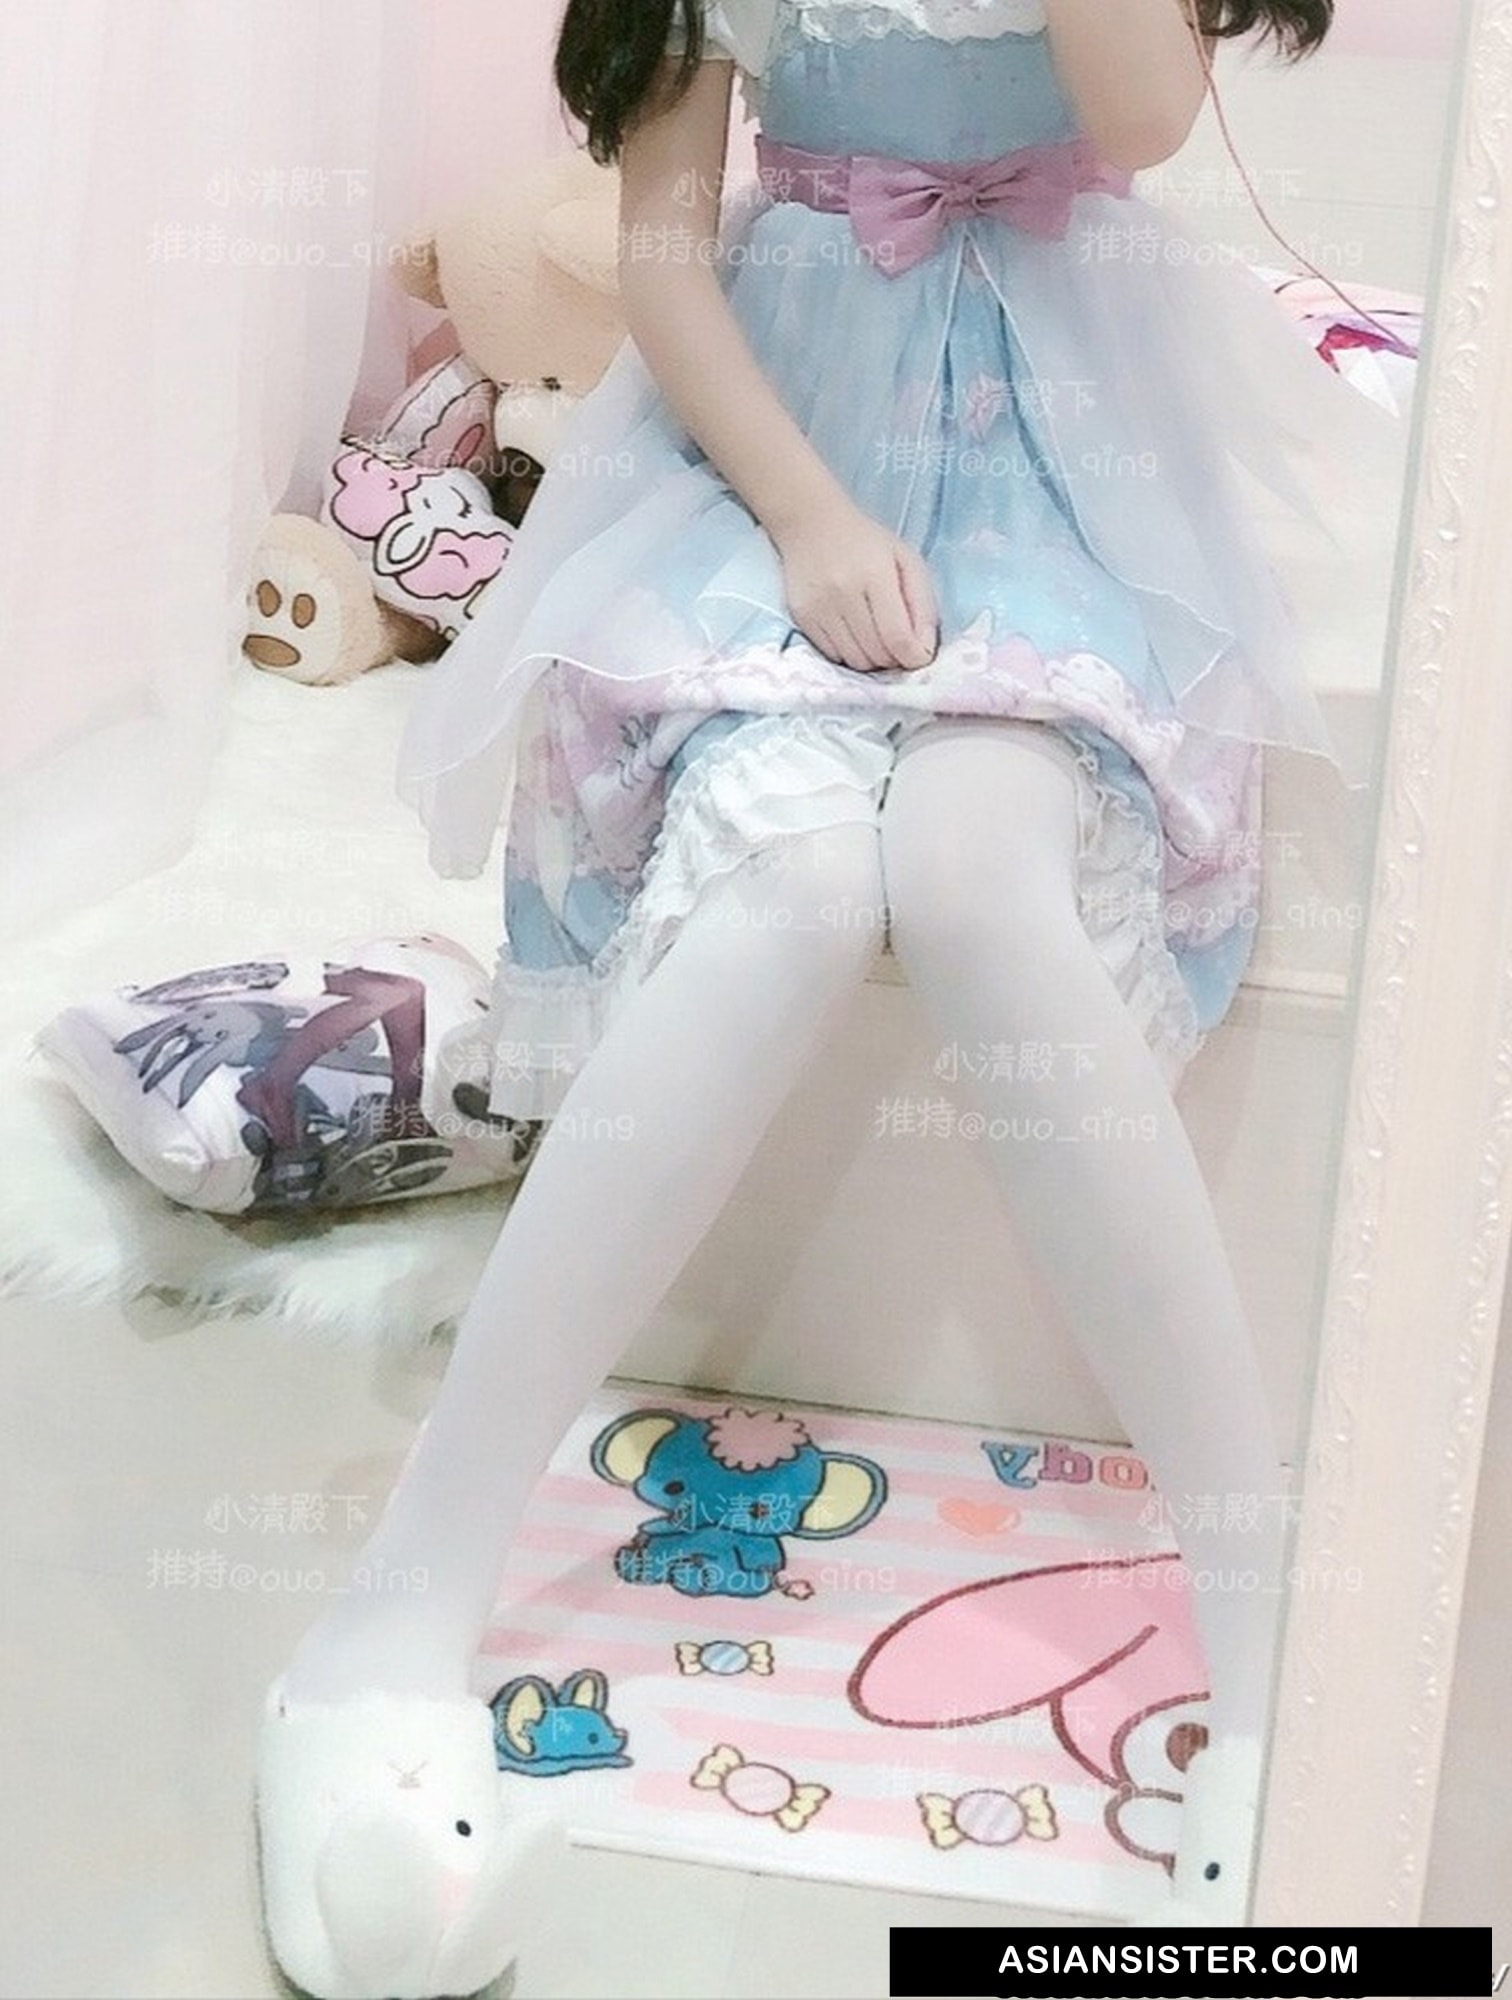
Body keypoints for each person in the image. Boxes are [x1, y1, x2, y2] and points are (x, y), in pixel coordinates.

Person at [255, 1, 1404, 1988]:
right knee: (783, 891)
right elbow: (664, 242)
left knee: (977, 874)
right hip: (781, 438)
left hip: (1058, 450)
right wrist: (802, 515)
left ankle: (1274, 1629)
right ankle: (388, 1619)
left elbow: (1142, 117)